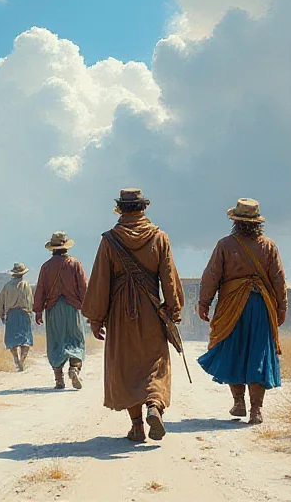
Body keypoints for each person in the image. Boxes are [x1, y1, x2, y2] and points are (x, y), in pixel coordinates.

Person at [82, 188, 184, 442]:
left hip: (119, 314)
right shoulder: (160, 238)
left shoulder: (109, 240)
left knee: (126, 367)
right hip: (151, 311)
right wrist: (173, 309)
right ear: (143, 208)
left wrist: (96, 319)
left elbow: (100, 281)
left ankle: (137, 426)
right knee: (156, 363)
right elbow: (168, 280)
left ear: (120, 209)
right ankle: (154, 406)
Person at [196, 198, 287, 425]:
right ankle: (256, 410)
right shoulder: (269, 246)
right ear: (258, 223)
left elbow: (211, 276)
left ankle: (238, 403)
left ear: (235, 221)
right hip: (261, 306)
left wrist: (204, 303)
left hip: (231, 307)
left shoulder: (225, 245)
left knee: (233, 352)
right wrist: (281, 307)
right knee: (259, 355)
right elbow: (279, 280)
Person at [32, 232, 88, 389]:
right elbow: (83, 287)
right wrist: (88, 308)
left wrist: (38, 311)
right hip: (73, 308)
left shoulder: (46, 267)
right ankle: (74, 368)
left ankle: (59, 379)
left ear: (52, 248)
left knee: (56, 342)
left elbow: (41, 289)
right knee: (76, 339)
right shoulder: (75, 264)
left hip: (53, 309)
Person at [0, 263, 35, 372]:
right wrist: (30, 313)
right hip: (24, 313)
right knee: (26, 339)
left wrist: (1, 313)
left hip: (11, 314)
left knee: (11, 339)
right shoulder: (26, 285)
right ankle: (22, 361)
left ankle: (16, 359)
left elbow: (1, 301)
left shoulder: (7, 286)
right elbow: (30, 300)